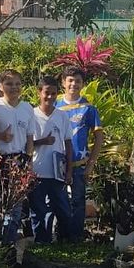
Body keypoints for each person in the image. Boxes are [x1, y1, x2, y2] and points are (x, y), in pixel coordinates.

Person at [0, 69, 35, 245]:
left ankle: (7, 248)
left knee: (14, 208)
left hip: (17, 161)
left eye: (18, 84)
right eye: (9, 84)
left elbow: (30, 137)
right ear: (1, 86)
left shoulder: (27, 108)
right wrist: (0, 136)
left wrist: (28, 161)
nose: (14, 87)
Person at [55, 67, 103, 242]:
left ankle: (75, 239)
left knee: (77, 202)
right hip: (56, 164)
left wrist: (91, 163)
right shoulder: (55, 105)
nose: (73, 84)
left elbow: (99, 137)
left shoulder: (89, 108)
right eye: (70, 80)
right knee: (58, 202)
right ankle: (60, 237)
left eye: (78, 81)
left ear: (83, 84)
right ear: (63, 82)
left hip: (79, 164)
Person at [29, 76, 73, 244]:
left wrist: (68, 170)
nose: (50, 97)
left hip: (57, 173)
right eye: (47, 93)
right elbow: (25, 144)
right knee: (38, 211)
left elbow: (68, 144)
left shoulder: (62, 116)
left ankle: (64, 242)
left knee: (63, 209)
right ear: (39, 92)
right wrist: (42, 142)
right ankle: (41, 243)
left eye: (54, 93)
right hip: (36, 172)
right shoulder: (31, 115)